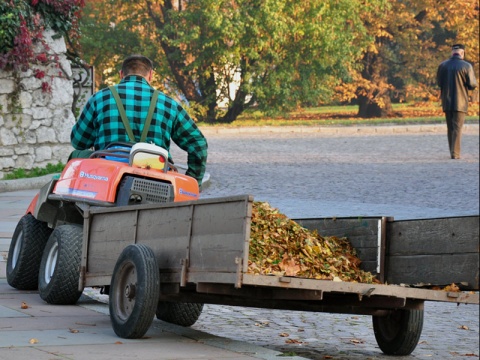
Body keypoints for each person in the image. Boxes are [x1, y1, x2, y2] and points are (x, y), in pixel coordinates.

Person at [70, 55, 208, 185]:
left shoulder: (99, 98)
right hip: (157, 180)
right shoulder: (169, 104)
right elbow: (198, 144)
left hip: (106, 177)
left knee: (75, 155)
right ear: (151, 75)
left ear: (121, 74)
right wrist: (193, 181)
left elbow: (78, 142)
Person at [436, 44, 478, 159]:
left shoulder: (443, 66)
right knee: (457, 127)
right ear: (462, 53)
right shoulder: (467, 66)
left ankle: (452, 151)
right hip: (461, 101)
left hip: (447, 101)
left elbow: (439, 83)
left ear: (452, 52)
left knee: (450, 127)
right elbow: (472, 84)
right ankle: (455, 153)